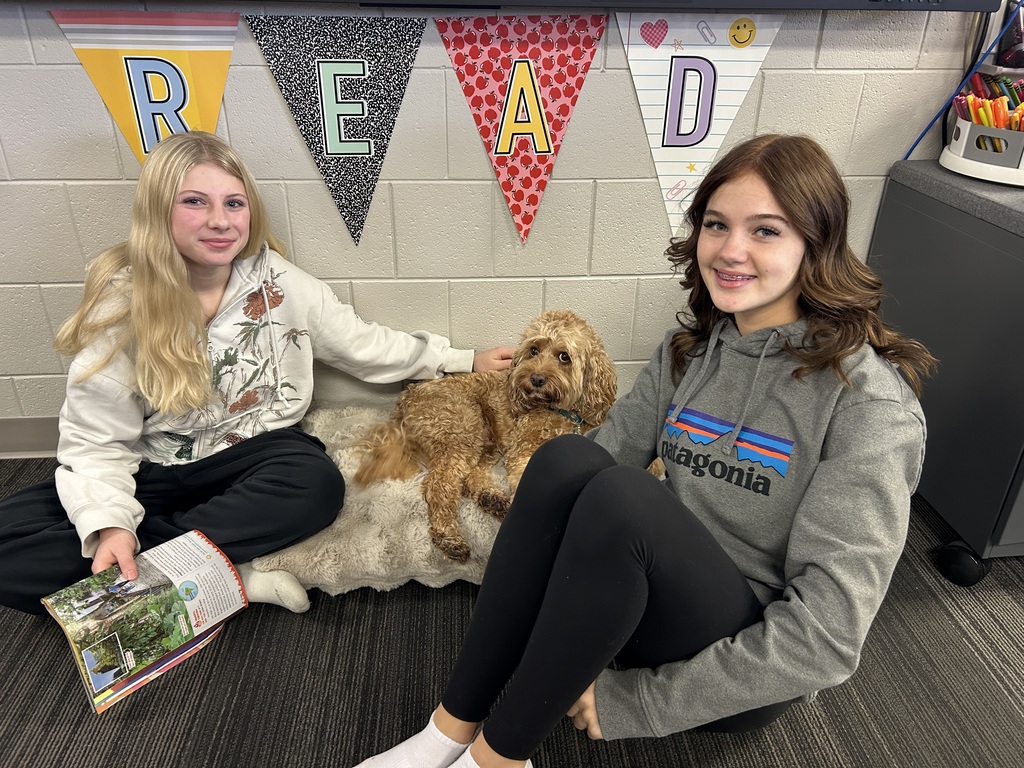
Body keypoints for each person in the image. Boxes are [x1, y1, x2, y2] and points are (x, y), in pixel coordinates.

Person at [353, 134, 937, 768]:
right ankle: (449, 729)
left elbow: (826, 639)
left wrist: (637, 702)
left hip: (746, 661)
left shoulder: (870, 403)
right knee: (565, 460)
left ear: (816, 245)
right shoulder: (690, 353)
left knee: (626, 496)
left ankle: (497, 759)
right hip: (638, 604)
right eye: (717, 224)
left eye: (765, 231)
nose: (730, 250)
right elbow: (585, 475)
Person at [0, 131, 513, 616]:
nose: (219, 221)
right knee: (10, 547)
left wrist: (459, 359)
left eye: (234, 203)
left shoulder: (280, 283)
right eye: (195, 202)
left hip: (255, 455)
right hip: (152, 467)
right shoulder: (122, 305)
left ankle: (170, 568)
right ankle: (228, 574)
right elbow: (93, 444)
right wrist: (111, 527)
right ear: (158, 211)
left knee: (314, 485)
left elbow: (363, 344)